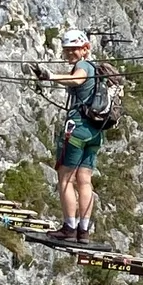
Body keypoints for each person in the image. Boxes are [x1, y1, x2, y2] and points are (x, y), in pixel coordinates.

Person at [49, 26, 106, 242]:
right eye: (67, 50)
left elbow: (77, 79)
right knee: (84, 180)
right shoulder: (97, 69)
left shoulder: (83, 66)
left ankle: (69, 228)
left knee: (65, 178)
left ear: (85, 49)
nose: (70, 53)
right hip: (95, 131)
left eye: (74, 49)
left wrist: (51, 76)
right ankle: (84, 230)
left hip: (77, 128)